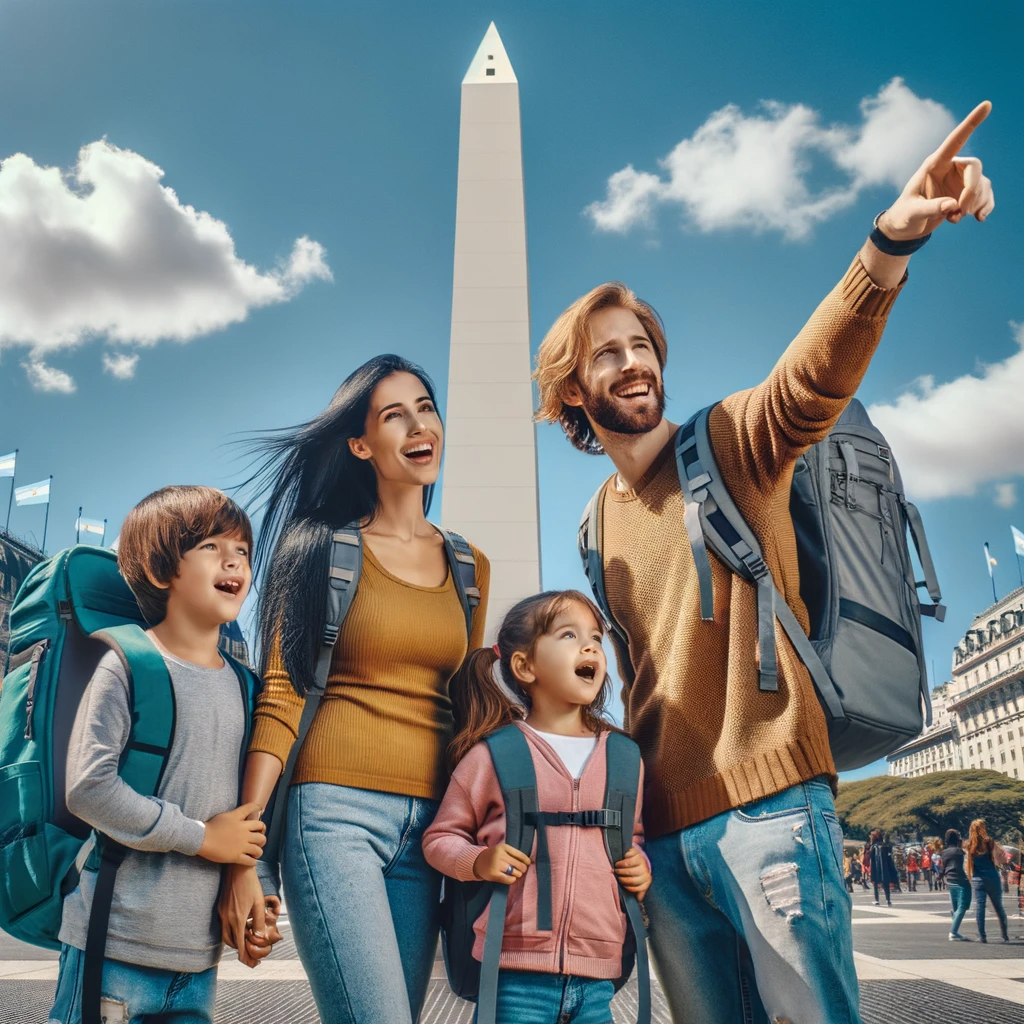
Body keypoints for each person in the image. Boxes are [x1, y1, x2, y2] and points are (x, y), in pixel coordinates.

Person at [533, 96, 994, 1024]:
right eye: (605, 355)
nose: (631, 364)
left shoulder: (731, 444)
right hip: (662, 842)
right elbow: (638, 684)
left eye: (640, 346)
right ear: (572, 392)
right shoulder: (595, 526)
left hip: (772, 812)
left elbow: (811, 379)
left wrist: (887, 246)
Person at [218, 355, 491, 1024]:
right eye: (394, 415)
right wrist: (244, 861)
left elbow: (468, 707)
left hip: (431, 830)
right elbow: (280, 698)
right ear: (361, 445)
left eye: (425, 407)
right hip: (334, 816)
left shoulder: (469, 566)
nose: (419, 424)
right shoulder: (316, 550)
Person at [48, 486, 276, 1024]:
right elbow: (89, 787)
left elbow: (248, 816)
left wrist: (259, 892)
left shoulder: (246, 686)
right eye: (211, 547)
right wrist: (201, 838)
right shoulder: (129, 664)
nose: (233, 560)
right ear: (160, 572)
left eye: (242, 550)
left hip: (198, 957)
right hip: (115, 942)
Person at [423, 590, 651, 1024]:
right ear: (525, 666)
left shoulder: (624, 758)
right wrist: (478, 860)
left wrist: (640, 863)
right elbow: (440, 838)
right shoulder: (494, 754)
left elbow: (632, 836)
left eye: (596, 638)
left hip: (598, 975)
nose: (590, 647)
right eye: (569, 635)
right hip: (513, 975)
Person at [966, 819, 1009, 943]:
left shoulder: (970, 846)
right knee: (998, 907)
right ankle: (1004, 934)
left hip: (978, 879)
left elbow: (969, 865)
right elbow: (1001, 857)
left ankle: (982, 936)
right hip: (992, 877)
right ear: (983, 828)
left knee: (980, 907)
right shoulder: (989, 842)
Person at [940, 829, 971, 941]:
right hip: (962, 880)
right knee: (962, 906)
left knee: (956, 907)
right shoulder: (960, 852)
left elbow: (943, 867)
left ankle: (955, 930)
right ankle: (953, 932)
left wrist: (941, 877)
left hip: (950, 881)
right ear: (957, 839)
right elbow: (966, 866)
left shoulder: (944, 853)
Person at [867, 831, 898, 908]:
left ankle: (877, 900)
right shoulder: (886, 846)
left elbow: (870, 858)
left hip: (876, 868)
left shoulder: (873, 847)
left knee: (875, 884)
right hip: (886, 868)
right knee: (886, 884)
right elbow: (889, 858)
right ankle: (888, 900)